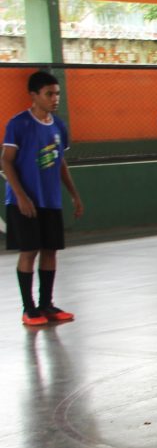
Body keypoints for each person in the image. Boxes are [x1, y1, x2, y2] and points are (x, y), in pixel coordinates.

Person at [2, 70, 82, 325]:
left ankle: (47, 304)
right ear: (34, 95)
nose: (55, 98)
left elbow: (60, 163)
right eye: (49, 94)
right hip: (23, 202)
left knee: (50, 251)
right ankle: (29, 309)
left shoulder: (59, 126)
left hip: (51, 200)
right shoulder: (18, 124)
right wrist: (21, 196)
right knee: (29, 251)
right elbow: (6, 161)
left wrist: (74, 195)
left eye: (57, 93)